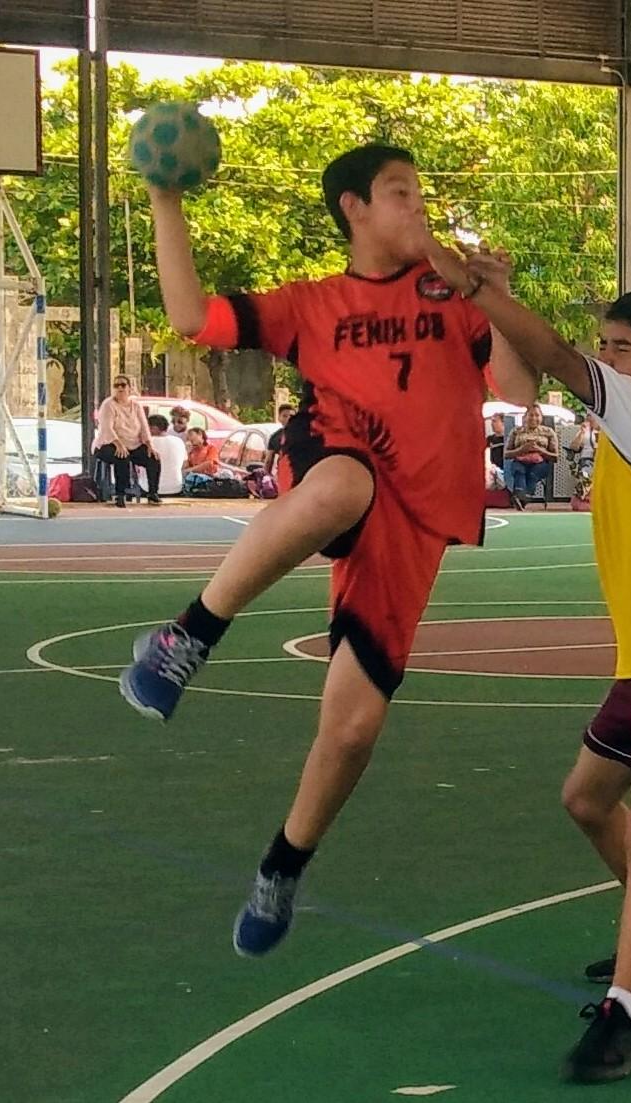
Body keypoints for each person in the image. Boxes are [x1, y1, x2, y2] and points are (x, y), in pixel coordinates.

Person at [119, 143, 527, 957]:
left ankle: (283, 865)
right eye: (400, 192)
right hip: (333, 454)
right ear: (355, 209)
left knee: (353, 729)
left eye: (420, 190)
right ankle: (185, 637)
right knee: (343, 486)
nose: (418, 205)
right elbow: (194, 319)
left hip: (412, 521)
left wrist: (502, 296)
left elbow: (516, 394)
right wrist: (167, 202)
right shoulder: (313, 304)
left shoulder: (456, 297)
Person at [443, 247, 631, 1084]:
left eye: (620, 346)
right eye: (605, 344)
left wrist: (475, 287)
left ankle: (627, 1016)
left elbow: (548, 357)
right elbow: (519, 386)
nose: (605, 357)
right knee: (586, 799)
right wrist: (498, 297)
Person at [95, 376, 162, 507]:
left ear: (129, 388)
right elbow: (106, 428)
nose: (120, 388)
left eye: (123, 385)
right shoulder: (108, 405)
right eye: (116, 386)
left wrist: (149, 445)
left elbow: (144, 427)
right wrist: (118, 444)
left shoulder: (136, 405)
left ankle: (153, 493)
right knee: (122, 457)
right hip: (109, 443)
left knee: (153, 458)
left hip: (134, 444)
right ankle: (121, 494)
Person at [503, 404, 560, 509]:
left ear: (541, 418)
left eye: (537, 415)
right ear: (525, 417)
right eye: (531, 415)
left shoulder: (548, 432)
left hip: (541, 463)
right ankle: (521, 497)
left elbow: (555, 456)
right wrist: (521, 450)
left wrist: (540, 450)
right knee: (519, 470)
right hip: (520, 461)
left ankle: (522, 499)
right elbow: (506, 454)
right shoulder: (516, 431)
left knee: (533, 473)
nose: (534, 418)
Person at [147, 414, 188, 497]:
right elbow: (185, 465)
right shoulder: (179, 441)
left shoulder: (148, 443)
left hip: (148, 489)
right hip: (176, 488)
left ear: (154, 428)